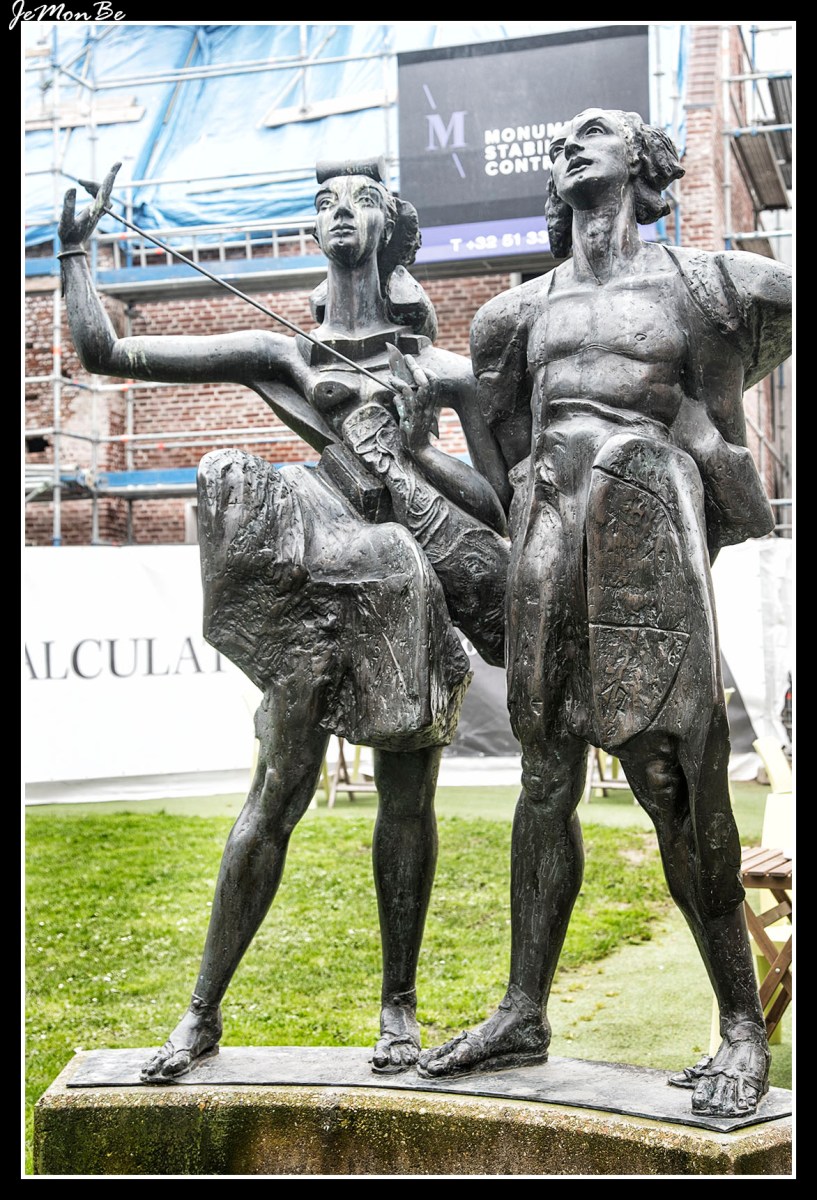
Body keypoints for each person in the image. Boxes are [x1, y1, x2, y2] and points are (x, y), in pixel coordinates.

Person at [58, 157, 510, 1080]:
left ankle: (397, 1006)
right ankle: (200, 1013)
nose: (341, 211)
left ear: (390, 227)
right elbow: (107, 354)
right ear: (313, 232)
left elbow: (495, 505)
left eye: (362, 200)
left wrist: (411, 455)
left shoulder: (442, 371)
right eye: (324, 203)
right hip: (315, 571)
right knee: (275, 793)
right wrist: (73, 253)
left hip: (404, 585)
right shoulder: (284, 353)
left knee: (406, 800)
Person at [415, 109, 792, 1119]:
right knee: (543, 776)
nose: (567, 147)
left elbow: (732, 401)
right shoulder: (511, 316)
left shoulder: (711, 284)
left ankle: (740, 1025)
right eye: (560, 144)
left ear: (644, 162)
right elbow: (497, 464)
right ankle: (522, 1011)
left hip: (646, 530)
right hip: (549, 533)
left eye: (591, 133)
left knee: (676, 784)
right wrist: (416, 456)